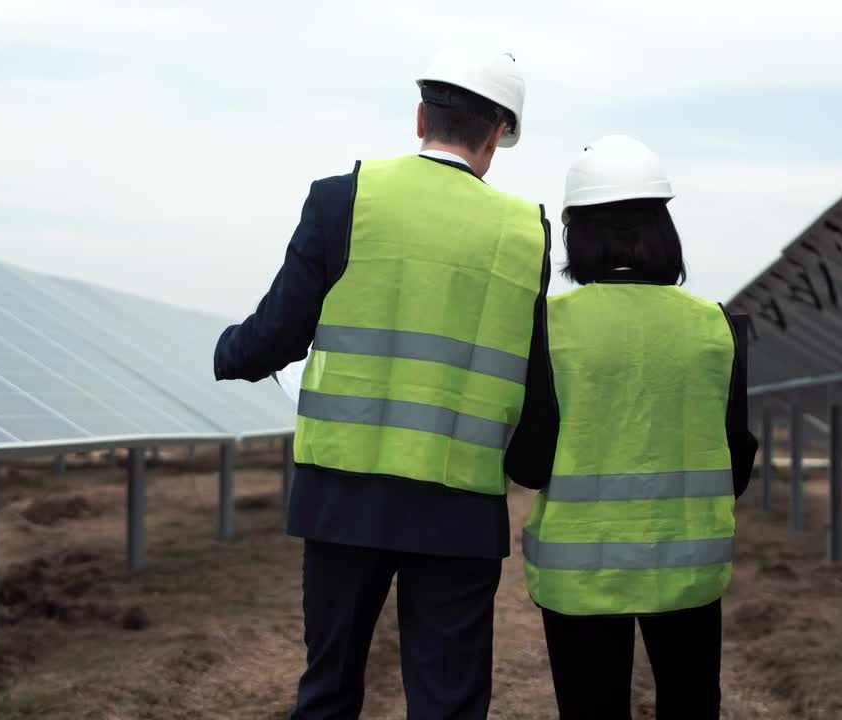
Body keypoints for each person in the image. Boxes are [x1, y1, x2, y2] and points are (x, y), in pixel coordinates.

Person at [213, 48, 552, 720]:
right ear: (497, 136)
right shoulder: (524, 230)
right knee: (448, 701)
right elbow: (535, 370)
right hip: (460, 506)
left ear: (422, 115)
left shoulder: (344, 199)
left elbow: (278, 333)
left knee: (330, 687)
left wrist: (232, 352)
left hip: (343, 496)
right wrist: (530, 463)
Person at [507, 135, 759, 719]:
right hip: (688, 570)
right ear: (662, 230)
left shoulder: (547, 326)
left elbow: (529, 464)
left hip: (580, 576)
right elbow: (736, 463)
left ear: (578, 232)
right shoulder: (717, 325)